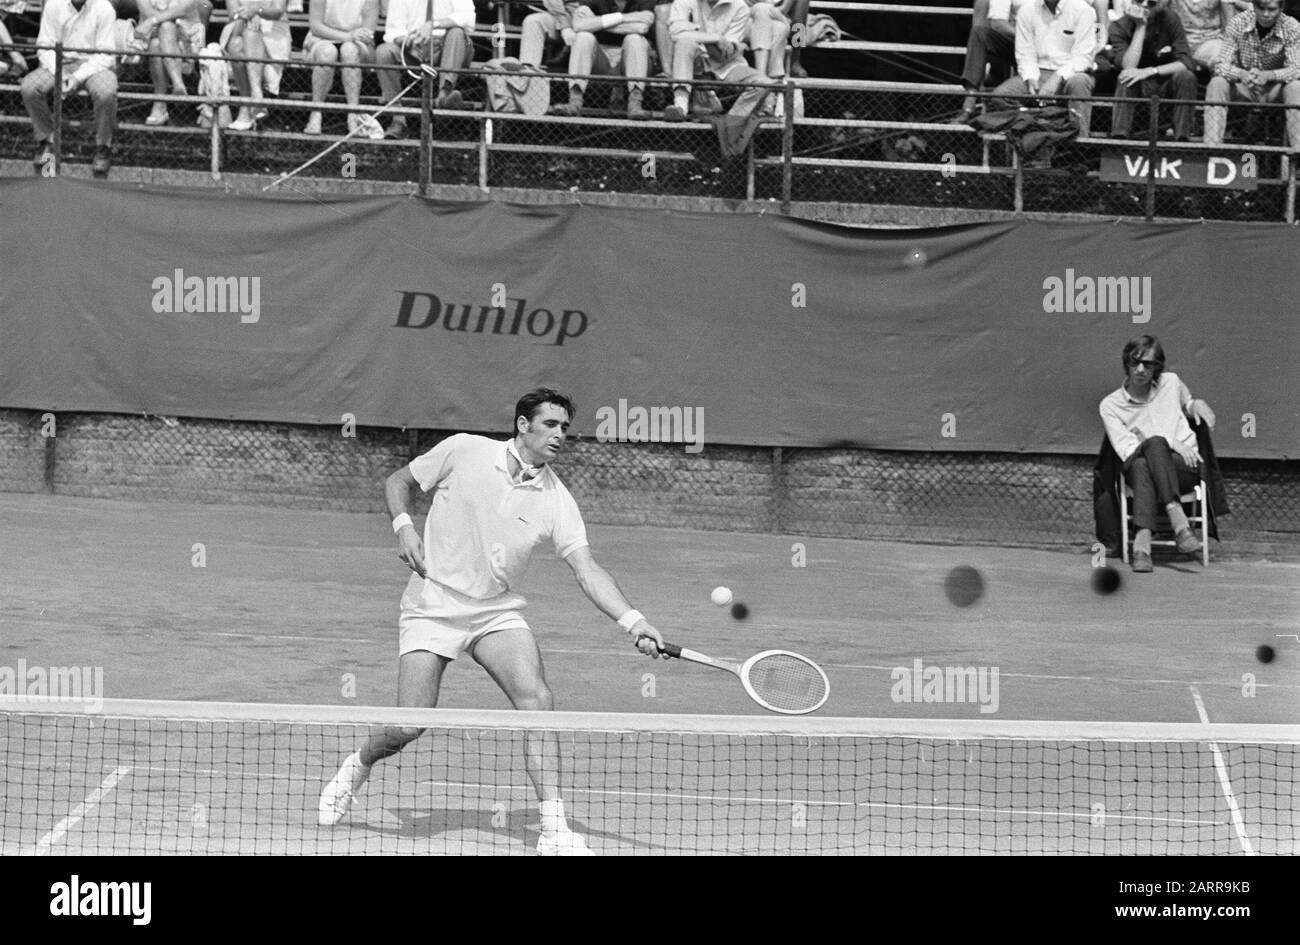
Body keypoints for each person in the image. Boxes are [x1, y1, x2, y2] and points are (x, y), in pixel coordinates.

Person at [319, 389, 665, 856]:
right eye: (551, 425)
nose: (560, 434)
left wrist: (634, 621)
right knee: (409, 726)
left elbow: (587, 569)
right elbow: (397, 481)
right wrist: (404, 526)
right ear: (523, 425)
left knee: (538, 700)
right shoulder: (465, 450)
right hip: (432, 604)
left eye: (565, 427)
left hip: (494, 611)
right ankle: (358, 765)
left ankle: (553, 828)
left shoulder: (556, 500)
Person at [1099, 336, 1216, 572]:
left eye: (1148, 364)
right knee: (1144, 459)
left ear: (1157, 367)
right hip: (1140, 464)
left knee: (1147, 459)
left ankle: (1142, 547)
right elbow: (1127, 450)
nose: (1141, 370)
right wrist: (1170, 442)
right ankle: (1179, 524)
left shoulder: (1171, 383)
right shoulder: (1110, 405)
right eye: (1135, 363)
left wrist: (1197, 405)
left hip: (1183, 465)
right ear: (1127, 364)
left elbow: (1189, 403)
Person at [21, 0, 118, 178]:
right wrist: (61, 73)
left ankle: (103, 147)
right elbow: (44, 47)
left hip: (94, 65)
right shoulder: (53, 4)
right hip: (58, 62)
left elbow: (106, 54)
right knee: (29, 87)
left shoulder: (104, 8)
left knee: (107, 92)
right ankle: (47, 141)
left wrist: (75, 77)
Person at [991, 0, 1099, 135]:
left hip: (1075, 72)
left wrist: (1057, 77)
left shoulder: (1083, 10)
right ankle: (1037, 123)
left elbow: (1083, 57)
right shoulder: (1027, 10)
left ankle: (1080, 144)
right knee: (1000, 96)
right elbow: (1025, 52)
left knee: (1079, 82)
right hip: (1039, 70)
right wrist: (1031, 77)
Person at [1203, 0, 1300, 146]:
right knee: (1217, 83)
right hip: (1244, 87)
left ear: (1281, 8)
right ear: (1254, 6)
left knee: (1296, 87)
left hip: (1274, 90)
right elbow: (1221, 65)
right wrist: (1242, 74)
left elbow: (1296, 69)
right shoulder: (1238, 22)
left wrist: (1269, 75)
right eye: (1261, 8)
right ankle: (1211, 148)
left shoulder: (1292, 27)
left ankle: (1298, 152)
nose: (1266, 14)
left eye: (1271, 9)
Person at [664, 0, 773, 122]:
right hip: (696, 63)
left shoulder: (740, 7)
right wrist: (716, 38)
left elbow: (723, 55)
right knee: (684, 43)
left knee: (763, 83)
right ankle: (680, 106)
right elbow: (675, 34)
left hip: (728, 65)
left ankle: (732, 122)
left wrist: (694, 33)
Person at [375, 0, 474, 133]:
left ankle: (444, 96)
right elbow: (393, 32)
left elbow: (467, 17)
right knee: (384, 52)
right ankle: (398, 119)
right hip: (415, 47)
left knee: (456, 32)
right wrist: (408, 44)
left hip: (447, 48)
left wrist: (433, 25)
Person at [546, 0, 656, 118]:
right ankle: (575, 103)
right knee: (583, 36)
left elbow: (642, 27)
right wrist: (624, 19)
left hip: (630, 60)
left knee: (635, 39)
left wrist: (597, 23)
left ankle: (635, 105)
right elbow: (578, 25)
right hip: (601, 57)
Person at [1109, 0, 1197, 139]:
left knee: (1186, 76)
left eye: (1151, 2)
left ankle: (1182, 138)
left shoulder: (1170, 18)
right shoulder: (1119, 26)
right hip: (1137, 87)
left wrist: (1151, 71)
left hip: (1165, 82)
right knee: (1126, 76)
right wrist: (1140, 26)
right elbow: (1128, 65)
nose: (1144, 5)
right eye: (1139, 1)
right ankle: (1120, 138)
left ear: (1158, 5)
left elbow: (1186, 62)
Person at [303, 0, 381, 137]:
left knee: (349, 50)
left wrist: (352, 38)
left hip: (358, 43)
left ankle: (353, 114)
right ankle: (316, 113)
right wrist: (347, 36)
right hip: (322, 39)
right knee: (328, 52)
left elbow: (367, 31)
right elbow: (316, 26)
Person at [953, 0, 1028, 122]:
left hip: (1050, 44)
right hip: (1020, 40)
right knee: (979, 33)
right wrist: (1025, 36)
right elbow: (998, 23)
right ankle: (970, 100)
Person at [134, 0, 206, 125]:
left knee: (165, 29)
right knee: (157, 42)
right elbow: (146, 10)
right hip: (154, 35)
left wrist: (153, 21)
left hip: (188, 36)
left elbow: (183, 9)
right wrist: (158, 21)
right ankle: (177, 83)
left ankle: (159, 105)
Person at [222, 0, 290, 132]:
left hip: (273, 32)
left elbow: (277, 11)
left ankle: (246, 106)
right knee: (241, 39)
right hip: (240, 25)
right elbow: (233, 12)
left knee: (244, 39)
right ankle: (256, 96)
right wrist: (250, 16)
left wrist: (257, 10)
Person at [1171, 0, 1246, 68]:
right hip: (1189, 43)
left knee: (1231, 57)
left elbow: (1231, 23)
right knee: (1221, 59)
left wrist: (1228, 46)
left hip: (1217, 39)